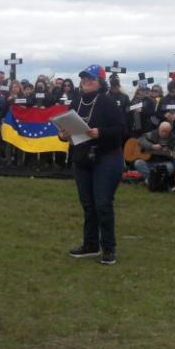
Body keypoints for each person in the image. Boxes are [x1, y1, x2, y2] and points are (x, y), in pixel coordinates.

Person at [58, 64, 126, 265]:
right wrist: (62, 135)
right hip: (82, 157)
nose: (86, 81)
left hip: (106, 157)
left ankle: (108, 247)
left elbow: (121, 128)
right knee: (88, 204)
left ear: (100, 82)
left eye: (91, 79)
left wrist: (100, 132)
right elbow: (68, 127)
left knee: (102, 204)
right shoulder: (77, 100)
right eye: (84, 78)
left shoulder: (107, 102)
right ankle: (90, 244)